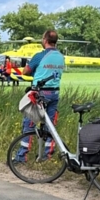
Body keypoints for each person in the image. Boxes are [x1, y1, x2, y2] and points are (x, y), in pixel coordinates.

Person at [15, 29, 66, 161]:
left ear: (45, 40)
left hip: (40, 94)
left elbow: (26, 71)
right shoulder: (61, 57)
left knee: (29, 124)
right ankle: (47, 155)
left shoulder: (40, 56)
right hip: (55, 93)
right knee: (49, 125)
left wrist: (31, 68)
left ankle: (22, 156)